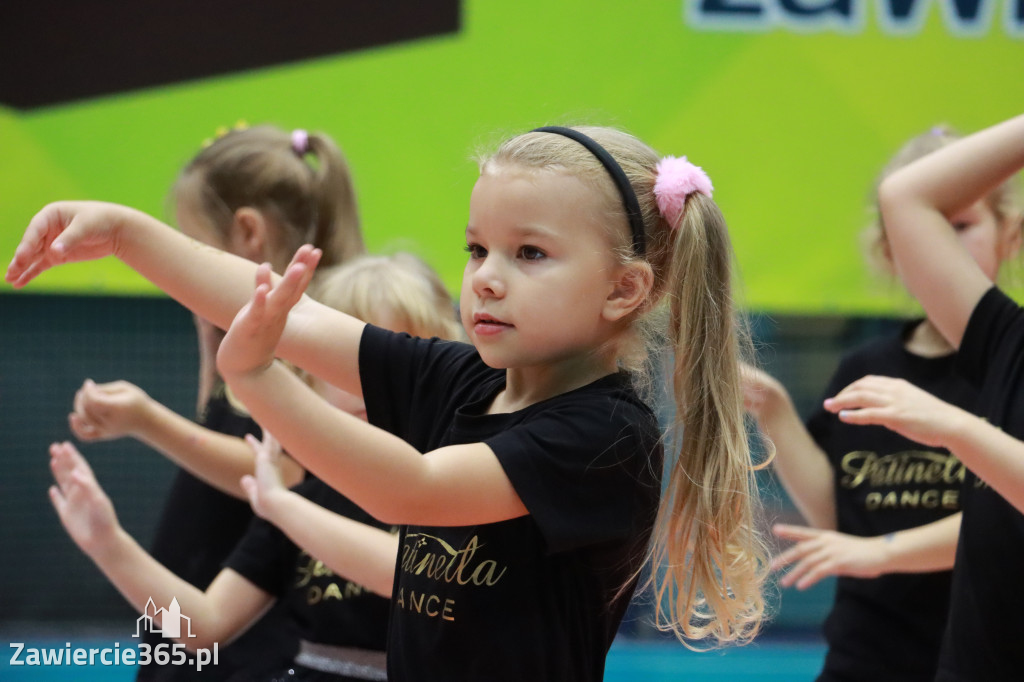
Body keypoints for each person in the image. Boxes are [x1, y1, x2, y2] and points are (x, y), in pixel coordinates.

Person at [7, 124, 769, 681]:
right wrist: (126, 233)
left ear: (625, 288)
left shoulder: (603, 433)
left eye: (529, 253)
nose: (488, 277)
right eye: (477, 250)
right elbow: (293, 315)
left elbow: (411, 490)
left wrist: (255, 381)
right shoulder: (466, 380)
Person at [46, 252, 462, 681]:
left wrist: (283, 508)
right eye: (340, 365)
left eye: (388, 367)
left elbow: (405, 573)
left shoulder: (461, 488)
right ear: (308, 383)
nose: (359, 388)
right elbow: (200, 628)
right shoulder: (302, 499)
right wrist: (109, 546)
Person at [65, 124, 366, 681]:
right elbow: (221, 418)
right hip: (191, 584)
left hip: (244, 621)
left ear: (248, 233)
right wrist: (208, 335)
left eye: (190, 243)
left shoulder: (314, 336)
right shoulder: (244, 329)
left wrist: (147, 421)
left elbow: (281, 469)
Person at [742, 126, 1023, 682]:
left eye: (962, 225)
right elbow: (843, 517)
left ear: (1009, 234)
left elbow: (998, 514)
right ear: (890, 251)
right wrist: (773, 411)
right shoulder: (870, 367)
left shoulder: (997, 362)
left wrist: (887, 550)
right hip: (868, 651)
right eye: (928, 230)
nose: (942, 242)